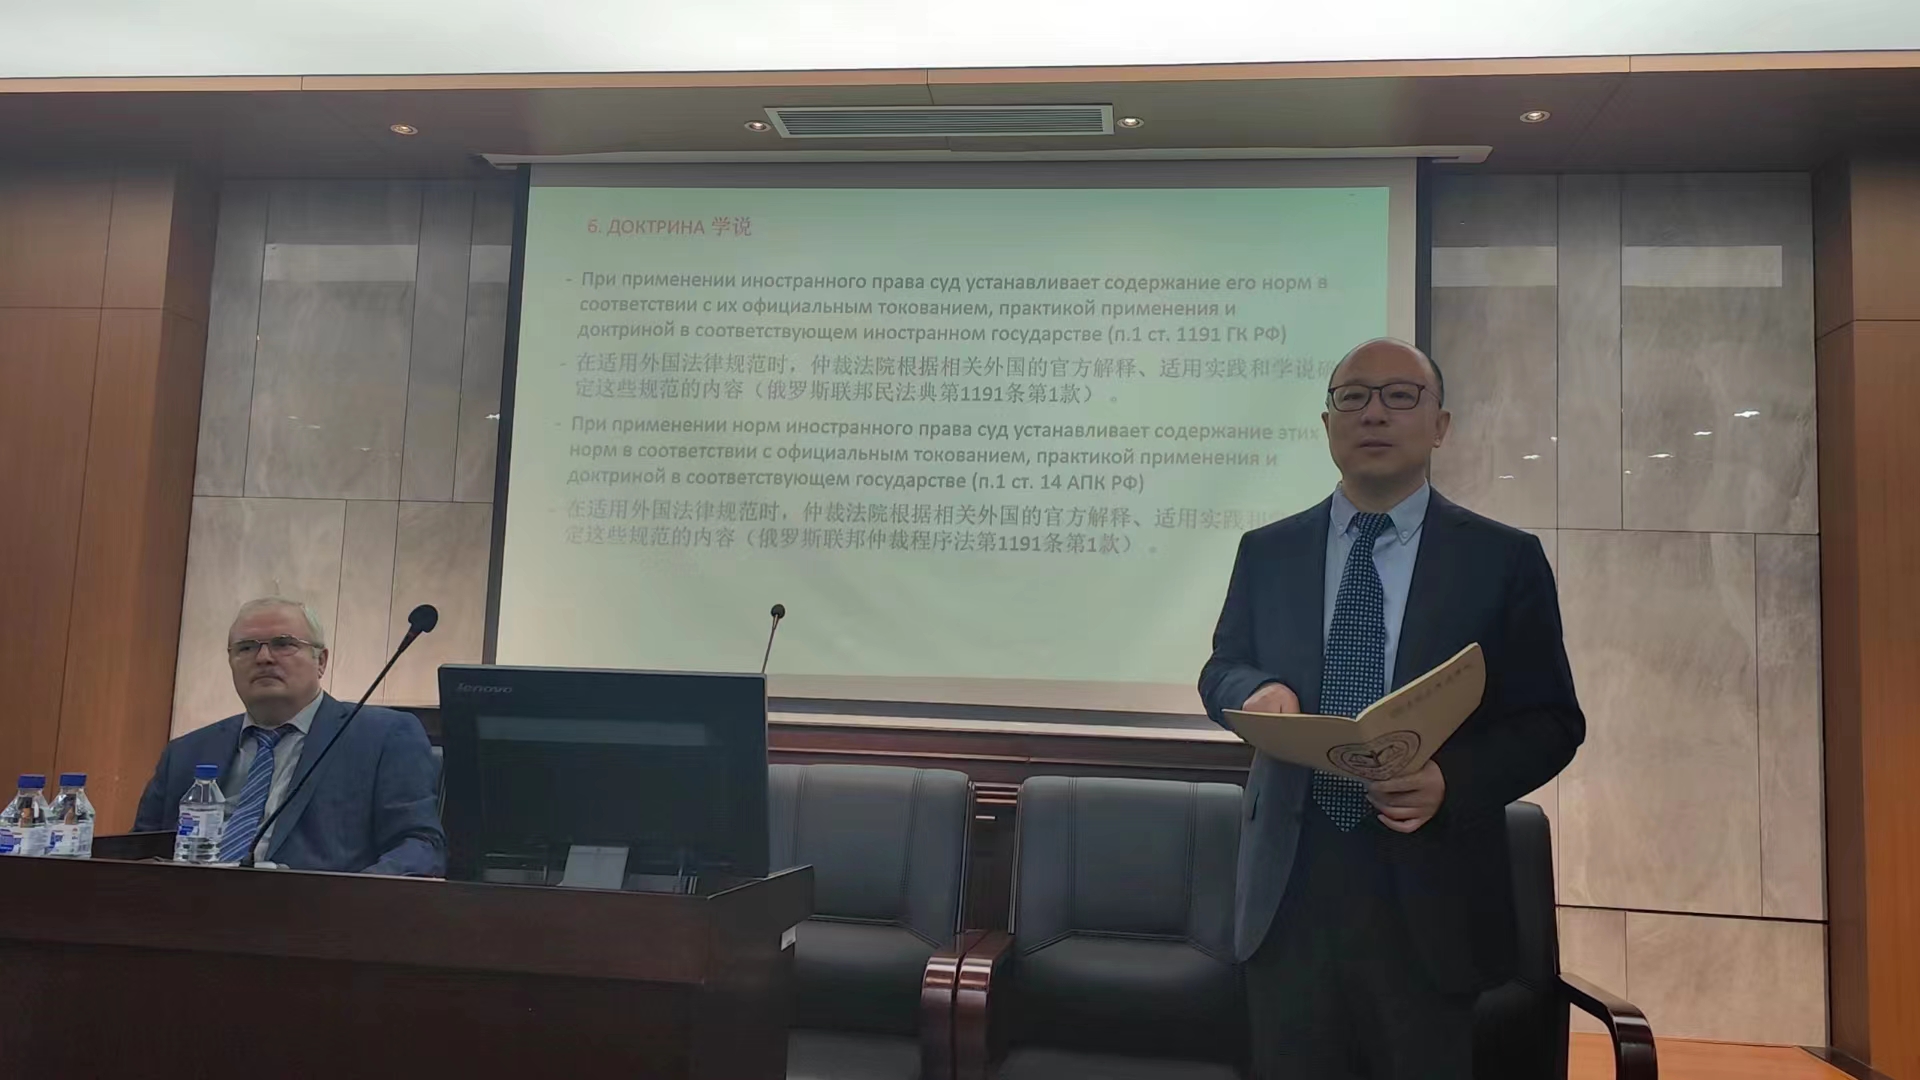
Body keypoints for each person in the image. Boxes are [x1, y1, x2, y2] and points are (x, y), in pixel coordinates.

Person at [1199, 338, 1584, 1079]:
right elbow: (1221, 667)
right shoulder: (1267, 551)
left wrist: (1452, 780)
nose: (1373, 413)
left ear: (1440, 425)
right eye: (1353, 397)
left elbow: (1553, 723)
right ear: (1327, 424)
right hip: (1289, 891)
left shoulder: (1503, 559)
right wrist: (1251, 692)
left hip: (1431, 892)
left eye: (1400, 396)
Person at [135, 597, 446, 876]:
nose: (263, 658)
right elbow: (136, 854)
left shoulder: (382, 737)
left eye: (283, 644)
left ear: (320, 661)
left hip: (316, 912)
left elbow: (420, 845)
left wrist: (352, 897)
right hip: (189, 908)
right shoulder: (186, 752)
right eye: (246, 648)